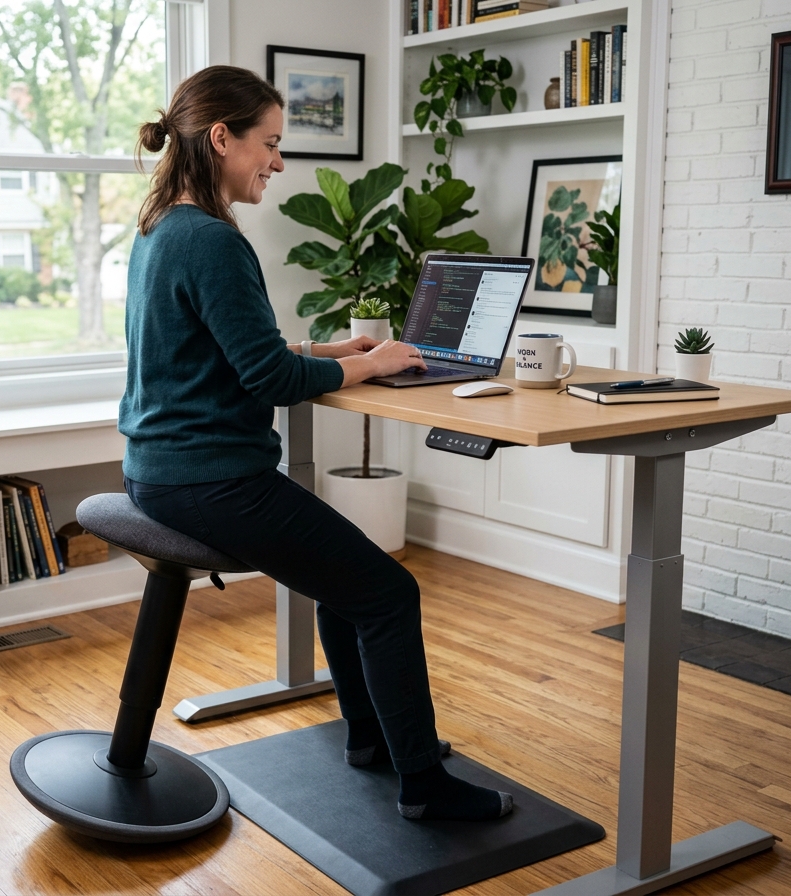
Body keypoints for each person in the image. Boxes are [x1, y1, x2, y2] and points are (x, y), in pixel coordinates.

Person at [119, 65, 512, 822]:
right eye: (269, 143)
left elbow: (228, 348)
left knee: (349, 582)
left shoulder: (162, 225)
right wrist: (374, 363)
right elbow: (266, 376)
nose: (278, 162)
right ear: (222, 138)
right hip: (211, 479)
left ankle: (371, 737)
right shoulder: (211, 240)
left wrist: (335, 350)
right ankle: (424, 787)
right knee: (390, 593)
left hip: (160, 468)